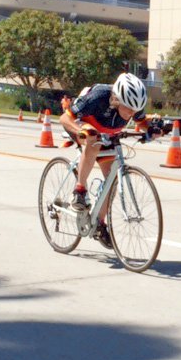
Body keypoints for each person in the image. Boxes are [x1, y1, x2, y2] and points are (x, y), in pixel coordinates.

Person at [59, 72, 160, 248]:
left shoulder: (133, 105)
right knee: (93, 140)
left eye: (135, 110)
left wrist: (152, 130)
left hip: (106, 134)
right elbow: (65, 118)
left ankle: (99, 222)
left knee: (112, 180)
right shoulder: (98, 96)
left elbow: (142, 122)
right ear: (117, 98)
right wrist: (79, 131)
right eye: (128, 108)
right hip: (82, 126)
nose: (131, 114)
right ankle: (80, 190)